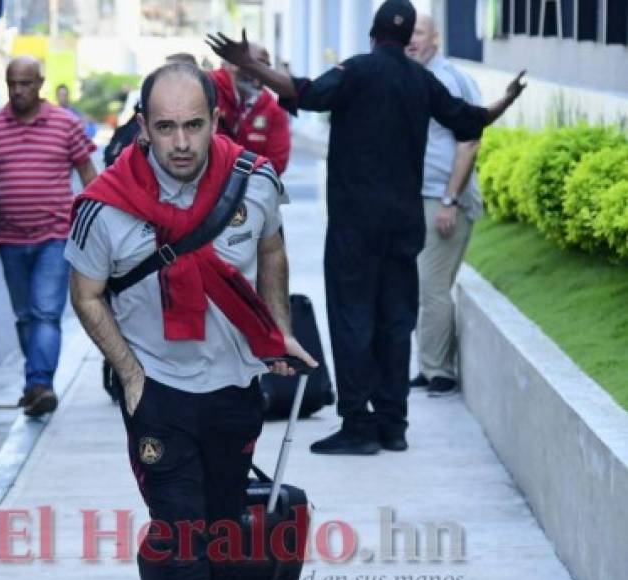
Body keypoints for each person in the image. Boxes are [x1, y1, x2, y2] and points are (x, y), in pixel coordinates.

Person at [65, 62, 315, 580]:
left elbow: (272, 247)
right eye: (166, 127)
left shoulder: (254, 183)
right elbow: (86, 293)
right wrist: (128, 375)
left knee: (220, 522)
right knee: (179, 527)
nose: (181, 143)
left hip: (233, 388)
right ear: (143, 128)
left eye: (195, 126)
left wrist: (277, 330)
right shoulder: (105, 207)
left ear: (216, 121)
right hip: (159, 393)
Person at [208, 0, 526, 454]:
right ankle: (394, 426)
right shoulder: (422, 79)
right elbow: (471, 120)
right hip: (403, 224)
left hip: (355, 226)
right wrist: (507, 99)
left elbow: (304, 92)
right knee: (395, 322)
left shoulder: (356, 71)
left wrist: (251, 66)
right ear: (406, 35)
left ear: (373, 35)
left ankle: (358, 426)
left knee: (352, 319)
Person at [0, 57, 98, 417]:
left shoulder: (65, 124)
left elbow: (88, 170)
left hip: (55, 236)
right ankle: (36, 384)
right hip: (11, 239)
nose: (18, 91)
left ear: (40, 83)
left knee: (45, 313)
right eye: (12, 83)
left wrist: (102, 211)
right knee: (25, 316)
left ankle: (39, 384)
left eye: (25, 83)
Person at [406, 13, 483, 396]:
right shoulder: (416, 78)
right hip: (422, 196)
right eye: (407, 33)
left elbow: (469, 141)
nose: (410, 40)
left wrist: (451, 200)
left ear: (436, 37)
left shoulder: (450, 80)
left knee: (432, 284)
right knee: (422, 284)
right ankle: (429, 364)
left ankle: (441, 372)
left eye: (418, 33)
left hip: (444, 198)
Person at [210, 43, 291, 175]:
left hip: (252, 188)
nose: (262, 74)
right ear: (233, 64)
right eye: (254, 65)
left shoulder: (274, 109)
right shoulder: (208, 90)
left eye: (266, 68)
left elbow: (276, 164)